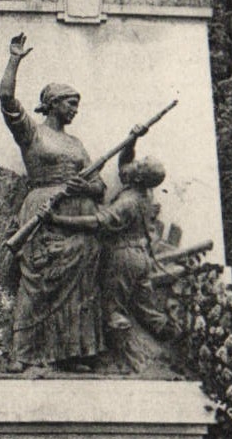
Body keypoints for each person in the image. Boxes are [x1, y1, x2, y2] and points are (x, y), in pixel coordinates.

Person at [0, 33, 107, 368]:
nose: (75, 110)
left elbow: (99, 185)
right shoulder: (33, 133)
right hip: (42, 212)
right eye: (70, 103)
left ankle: (69, 352)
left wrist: (84, 187)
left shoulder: (76, 144)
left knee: (78, 288)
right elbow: (6, 99)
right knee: (37, 280)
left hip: (76, 219)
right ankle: (22, 353)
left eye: (77, 104)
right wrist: (15, 58)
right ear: (54, 102)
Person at [47, 147, 166, 366]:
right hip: (141, 256)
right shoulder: (143, 192)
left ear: (138, 177)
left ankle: (130, 362)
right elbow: (125, 165)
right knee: (146, 310)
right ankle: (176, 338)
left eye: (139, 164)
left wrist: (57, 219)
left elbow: (97, 222)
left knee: (112, 310)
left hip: (123, 257)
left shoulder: (128, 201)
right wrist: (133, 140)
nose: (134, 163)